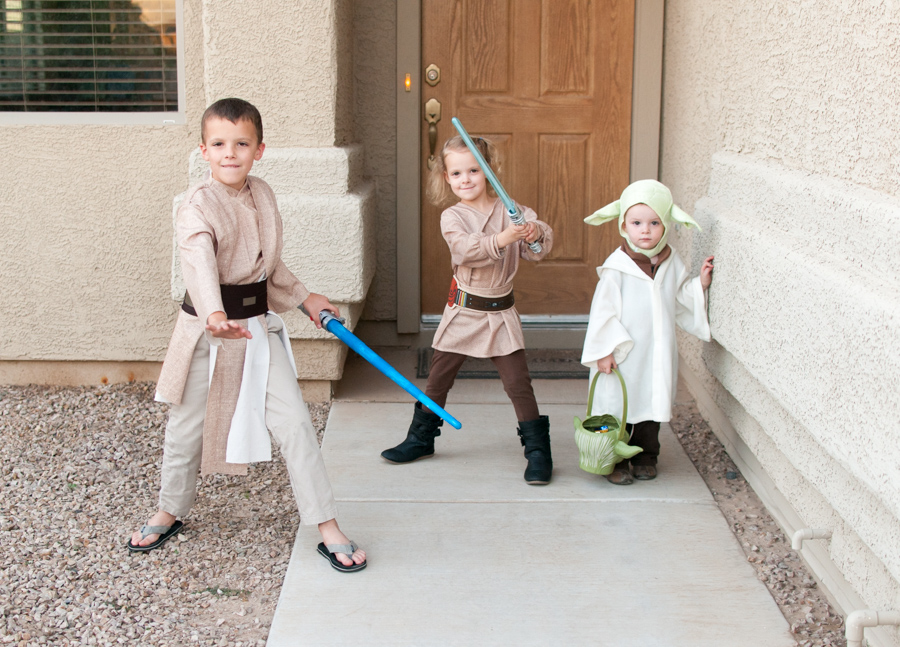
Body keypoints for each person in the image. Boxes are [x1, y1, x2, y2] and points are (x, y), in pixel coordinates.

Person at [127, 98, 366, 572]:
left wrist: (306, 298)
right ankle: (169, 510)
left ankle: (327, 525)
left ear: (259, 149)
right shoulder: (198, 205)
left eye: (241, 143)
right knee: (185, 426)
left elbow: (268, 268)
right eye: (219, 144)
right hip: (205, 332)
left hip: (255, 330)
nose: (230, 153)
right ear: (203, 150)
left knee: (295, 422)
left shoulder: (264, 193)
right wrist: (215, 313)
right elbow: (197, 261)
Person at [381, 135, 555, 485]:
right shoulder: (453, 216)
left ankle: (538, 451)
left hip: (499, 312)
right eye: (457, 173)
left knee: (518, 383)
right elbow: (464, 250)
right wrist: (505, 238)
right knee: (438, 379)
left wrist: (534, 232)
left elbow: (537, 250)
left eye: (474, 170)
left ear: (489, 171)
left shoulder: (513, 211)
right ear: (446, 177)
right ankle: (421, 439)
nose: (466, 179)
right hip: (464, 310)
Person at [581, 179, 714, 485]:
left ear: (666, 224)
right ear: (623, 226)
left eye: (654, 222)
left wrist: (699, 286)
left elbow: (680, 299)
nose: (645, 230)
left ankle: (645, 456)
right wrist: (603, 351)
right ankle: (611, 459)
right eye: (637, 222)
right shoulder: (616, 268)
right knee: (617, 406)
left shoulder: (671, 262)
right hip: (622, 354)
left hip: (655, 351)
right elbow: (603, 313)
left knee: (650, 404)